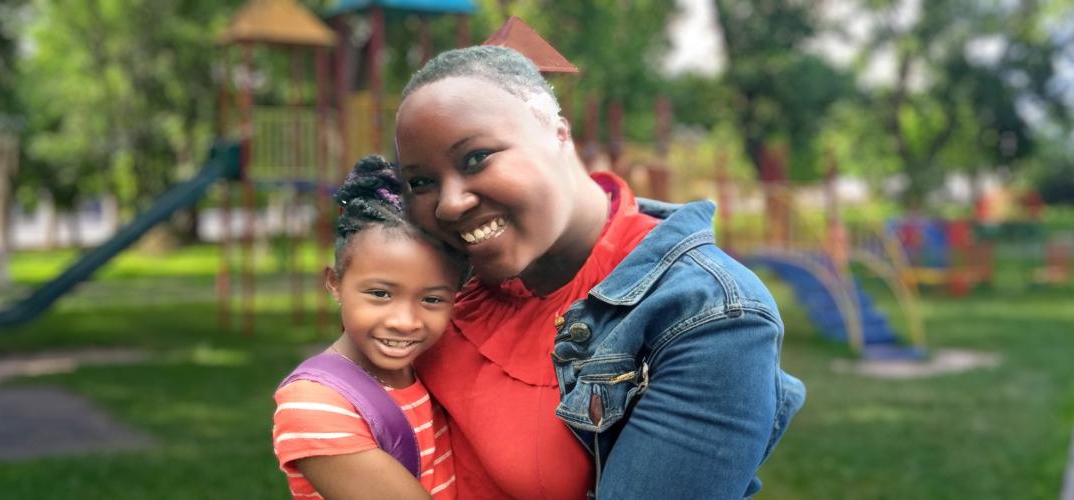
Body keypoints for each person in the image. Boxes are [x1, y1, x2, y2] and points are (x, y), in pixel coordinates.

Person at [395, 46, 806, 498]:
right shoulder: (436, 283)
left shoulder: (710, 316)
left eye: (476, 158)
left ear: (557, 132)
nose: (449, 203)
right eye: (421, 182)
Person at [272, 157, 464, 499]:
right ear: (334, 283)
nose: (404, 322)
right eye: (380, 294)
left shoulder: (427, 369)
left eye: (432, 300)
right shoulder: (316, 404)